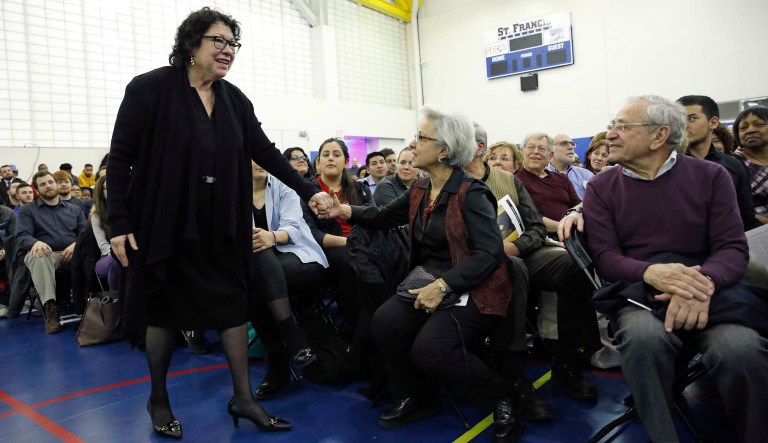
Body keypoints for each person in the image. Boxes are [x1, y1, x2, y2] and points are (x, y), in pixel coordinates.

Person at [107, 7, 333, 438]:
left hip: (223, 224)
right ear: (191, 44)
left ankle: (243, 398)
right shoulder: (150, 89)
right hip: (166, 222)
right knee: (163, 311)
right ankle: (158, 398)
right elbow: (120, 158)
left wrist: (309, 190)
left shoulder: (234, 100)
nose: (228, 50)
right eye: (219, 41)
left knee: (232, 307)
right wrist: (118, 222)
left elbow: (266, 153)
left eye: (233, 44)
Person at [578, 95, 768, 443]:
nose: (611, 135)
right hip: (642, 293)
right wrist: (651, 273)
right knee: (644, 340)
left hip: (712, 291)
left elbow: (732, 247)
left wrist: (702, 283)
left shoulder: (711, 176)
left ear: (659, 135)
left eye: (622, 126)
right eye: (611, 127)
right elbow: (606, 257)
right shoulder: (600, 188)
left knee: (741, 350)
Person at [324, 105, 518, 438]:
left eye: (421, 138)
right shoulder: (421, 189)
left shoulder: (472, 193)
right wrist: (343, 209)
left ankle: (501, 394)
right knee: (384, 322)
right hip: (430, 277)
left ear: (444, 150)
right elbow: (383, 216)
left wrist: (444, 286)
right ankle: (416, 396)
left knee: (430, 349)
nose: (413, 145)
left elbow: (491, 253)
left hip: (473, 283)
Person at [248, 162, 329, 399]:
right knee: (256, 263)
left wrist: (271, 237)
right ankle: (293, 340)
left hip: (300, 260)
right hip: (261, 269)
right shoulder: (232, 190)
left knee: (257, 265)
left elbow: (293, 228)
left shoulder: (285, 187)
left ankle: (277, 364)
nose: (260, 163)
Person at [16, 171, 86, 333]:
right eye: (43, 184)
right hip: (49, 256)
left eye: (50, 182)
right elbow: (22, 235)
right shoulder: (28, 210)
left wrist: (76, 244)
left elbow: (85, 234)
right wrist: (36, 242)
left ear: (55, 183)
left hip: (73, 253)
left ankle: (93, 304)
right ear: (37, 189)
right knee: (39, 255)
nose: (48, 186)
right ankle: (50, 309)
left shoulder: (75, 209)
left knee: (90, 254)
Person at [515, 133, 581, 234]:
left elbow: (578, 204)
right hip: (542, 238)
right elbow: (529, 217)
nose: (536, 152)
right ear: (522, 152)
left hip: (571, 233)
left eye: (541, 148)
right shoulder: (516, 180)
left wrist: (573, 213)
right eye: (530, 147)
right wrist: (563, 226)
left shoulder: (562, 178)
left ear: (550, 155)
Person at [732, 106, 768, 224]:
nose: (750, 130)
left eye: (759, 124)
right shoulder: (733, 164)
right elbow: (735, 209)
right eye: (743, 128)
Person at [89, 175, 119, 291]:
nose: (112, 189)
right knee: (117, 263)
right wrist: (118, 253)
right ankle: (116, 302)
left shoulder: (128, 209)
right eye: (107, 188)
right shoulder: (97, 215)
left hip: (129, 253)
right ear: (100, 192)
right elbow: (103, 245)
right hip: (107, 256)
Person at [546, 134, 594, 199]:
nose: (571, 147)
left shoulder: (587, 175)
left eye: (572, 143)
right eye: (564, 143)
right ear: (551, 150)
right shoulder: (539, 176)